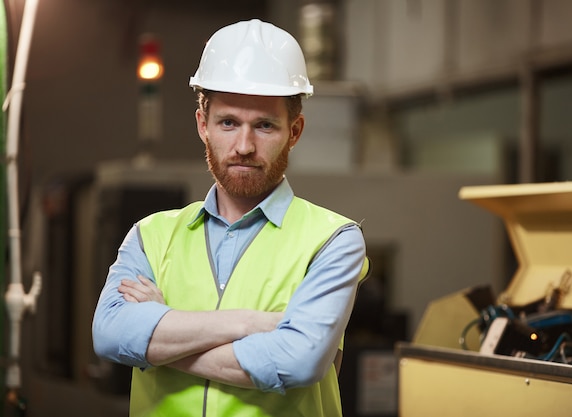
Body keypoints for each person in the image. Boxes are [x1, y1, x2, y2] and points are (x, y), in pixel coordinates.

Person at [92, 19, 369, 417]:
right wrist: (251, 323)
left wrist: (162, 334)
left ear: (295, 131)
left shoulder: (333, 240)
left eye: (265, 126)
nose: (244, 145)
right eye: (228, 123)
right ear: (203, 126)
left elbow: (297, 361)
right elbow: (109, 334)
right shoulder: (151, 236)